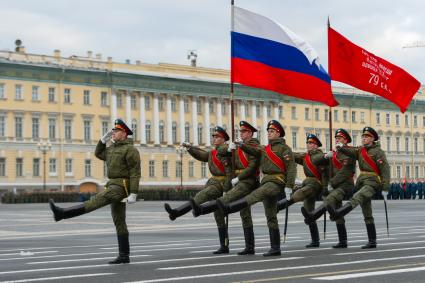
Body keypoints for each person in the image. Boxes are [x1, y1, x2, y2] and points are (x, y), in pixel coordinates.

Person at [49, 118, 141, 264]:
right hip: (112, 184)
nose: (113, 133)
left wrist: (134, 193)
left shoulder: (131, 150)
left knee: (94, 201)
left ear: (124, 134)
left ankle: (62, 213)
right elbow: (98, 154)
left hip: (121, 187)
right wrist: (102, 141)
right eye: (114, 130)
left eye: (116, 131)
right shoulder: (112, 149)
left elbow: (135, 172)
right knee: (119, 221)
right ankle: (124, 256)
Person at [217, 120, 296, 256]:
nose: (269, 134)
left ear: (278, 133)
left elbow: (291, 169)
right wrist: (241, 145)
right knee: (270, 215)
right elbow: (253, 150)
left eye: (272, 131)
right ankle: (275, 248)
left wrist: (289, 186)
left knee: (257, 194)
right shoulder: (265, 148)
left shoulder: (285, 148)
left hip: (277, 181)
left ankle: (230, 208)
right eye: (268, 131)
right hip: (266, 180)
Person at [190, 121, 260, 255]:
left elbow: (252, 166)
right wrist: (230, 148)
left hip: (248, 181)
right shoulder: (239, 145)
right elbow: (218, 150)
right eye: (241, 131)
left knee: (228, 201)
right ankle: (226, 245)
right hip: (238, 181)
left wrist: (237, 178)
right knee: (239, 212)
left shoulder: (254, 146)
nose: (241, 134)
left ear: (250, 133)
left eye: (244, 132)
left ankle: (202, 209)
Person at [164, 126, 231, 254]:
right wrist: (190, 148)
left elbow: (229, 172)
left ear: (223, 139)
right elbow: (203, 155)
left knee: (201, 196)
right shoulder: (213, 152)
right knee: (218, 215)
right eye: (214, 136)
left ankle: (177, 212)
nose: (214, 138)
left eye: (217, 137)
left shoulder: (226, 152)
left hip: (221, 184)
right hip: (214, 181)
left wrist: (226, 190)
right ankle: (224, 246)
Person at [328, 127, 390, 249]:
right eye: (363, 137)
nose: (363, 138)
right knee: (367, 212)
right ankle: (372, 241)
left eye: (366, 137)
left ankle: (339, 212)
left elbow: (385, 170)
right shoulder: (360, 150)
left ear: (372, 139)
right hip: (362, 181)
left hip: (372, 182)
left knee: (357, 197)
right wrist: (340, 147)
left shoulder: (378, 152)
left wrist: (385, 188)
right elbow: (350, 152)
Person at [302, 129, 356, 248]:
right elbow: (326, 172)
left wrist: (332, 182)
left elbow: (346, 171)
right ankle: (343, 241)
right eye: (336, 137)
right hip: (334, 185)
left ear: (345, 140)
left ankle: (313, 215)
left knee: (329, 200)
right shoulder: (334, 153)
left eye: (340, 138)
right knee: (337, 212)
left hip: (345, 184)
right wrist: (326, 186)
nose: (337, 139)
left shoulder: (350, 153)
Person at [276, 133, 328, 248]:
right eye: (308, 143)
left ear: (316, 145)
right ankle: (315, 240)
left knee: (300, 193)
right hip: (307, 183)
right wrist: (283, 147)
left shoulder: (320, 157)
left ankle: (280, 205)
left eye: (311, 143)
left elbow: (325, 174)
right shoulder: (306, 157)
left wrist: (325, 188)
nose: (309, 145)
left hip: (315, 184)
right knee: (309, 213)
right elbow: (292, 155)